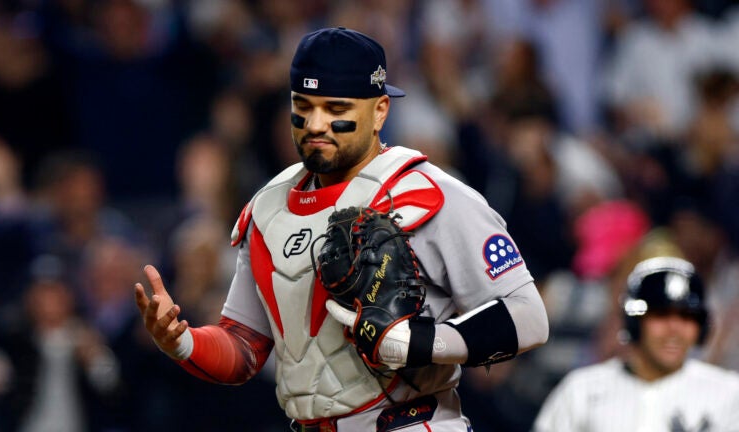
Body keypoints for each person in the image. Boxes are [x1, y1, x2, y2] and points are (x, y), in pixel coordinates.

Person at [134, 27, 549, 431]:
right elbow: (244, 348)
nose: (315, 124)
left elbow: (529, 318)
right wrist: (181, 342)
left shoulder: (428, 194)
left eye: (336, 109)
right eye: (303, 105)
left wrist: (421, 342)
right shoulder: (267, 208)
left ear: (380, 110)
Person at [533, 256, 739, 432]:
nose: (675, 330)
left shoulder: (729, 394)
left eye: (687, 317)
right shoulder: (582, 390)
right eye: (661, 315)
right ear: (634, 322)